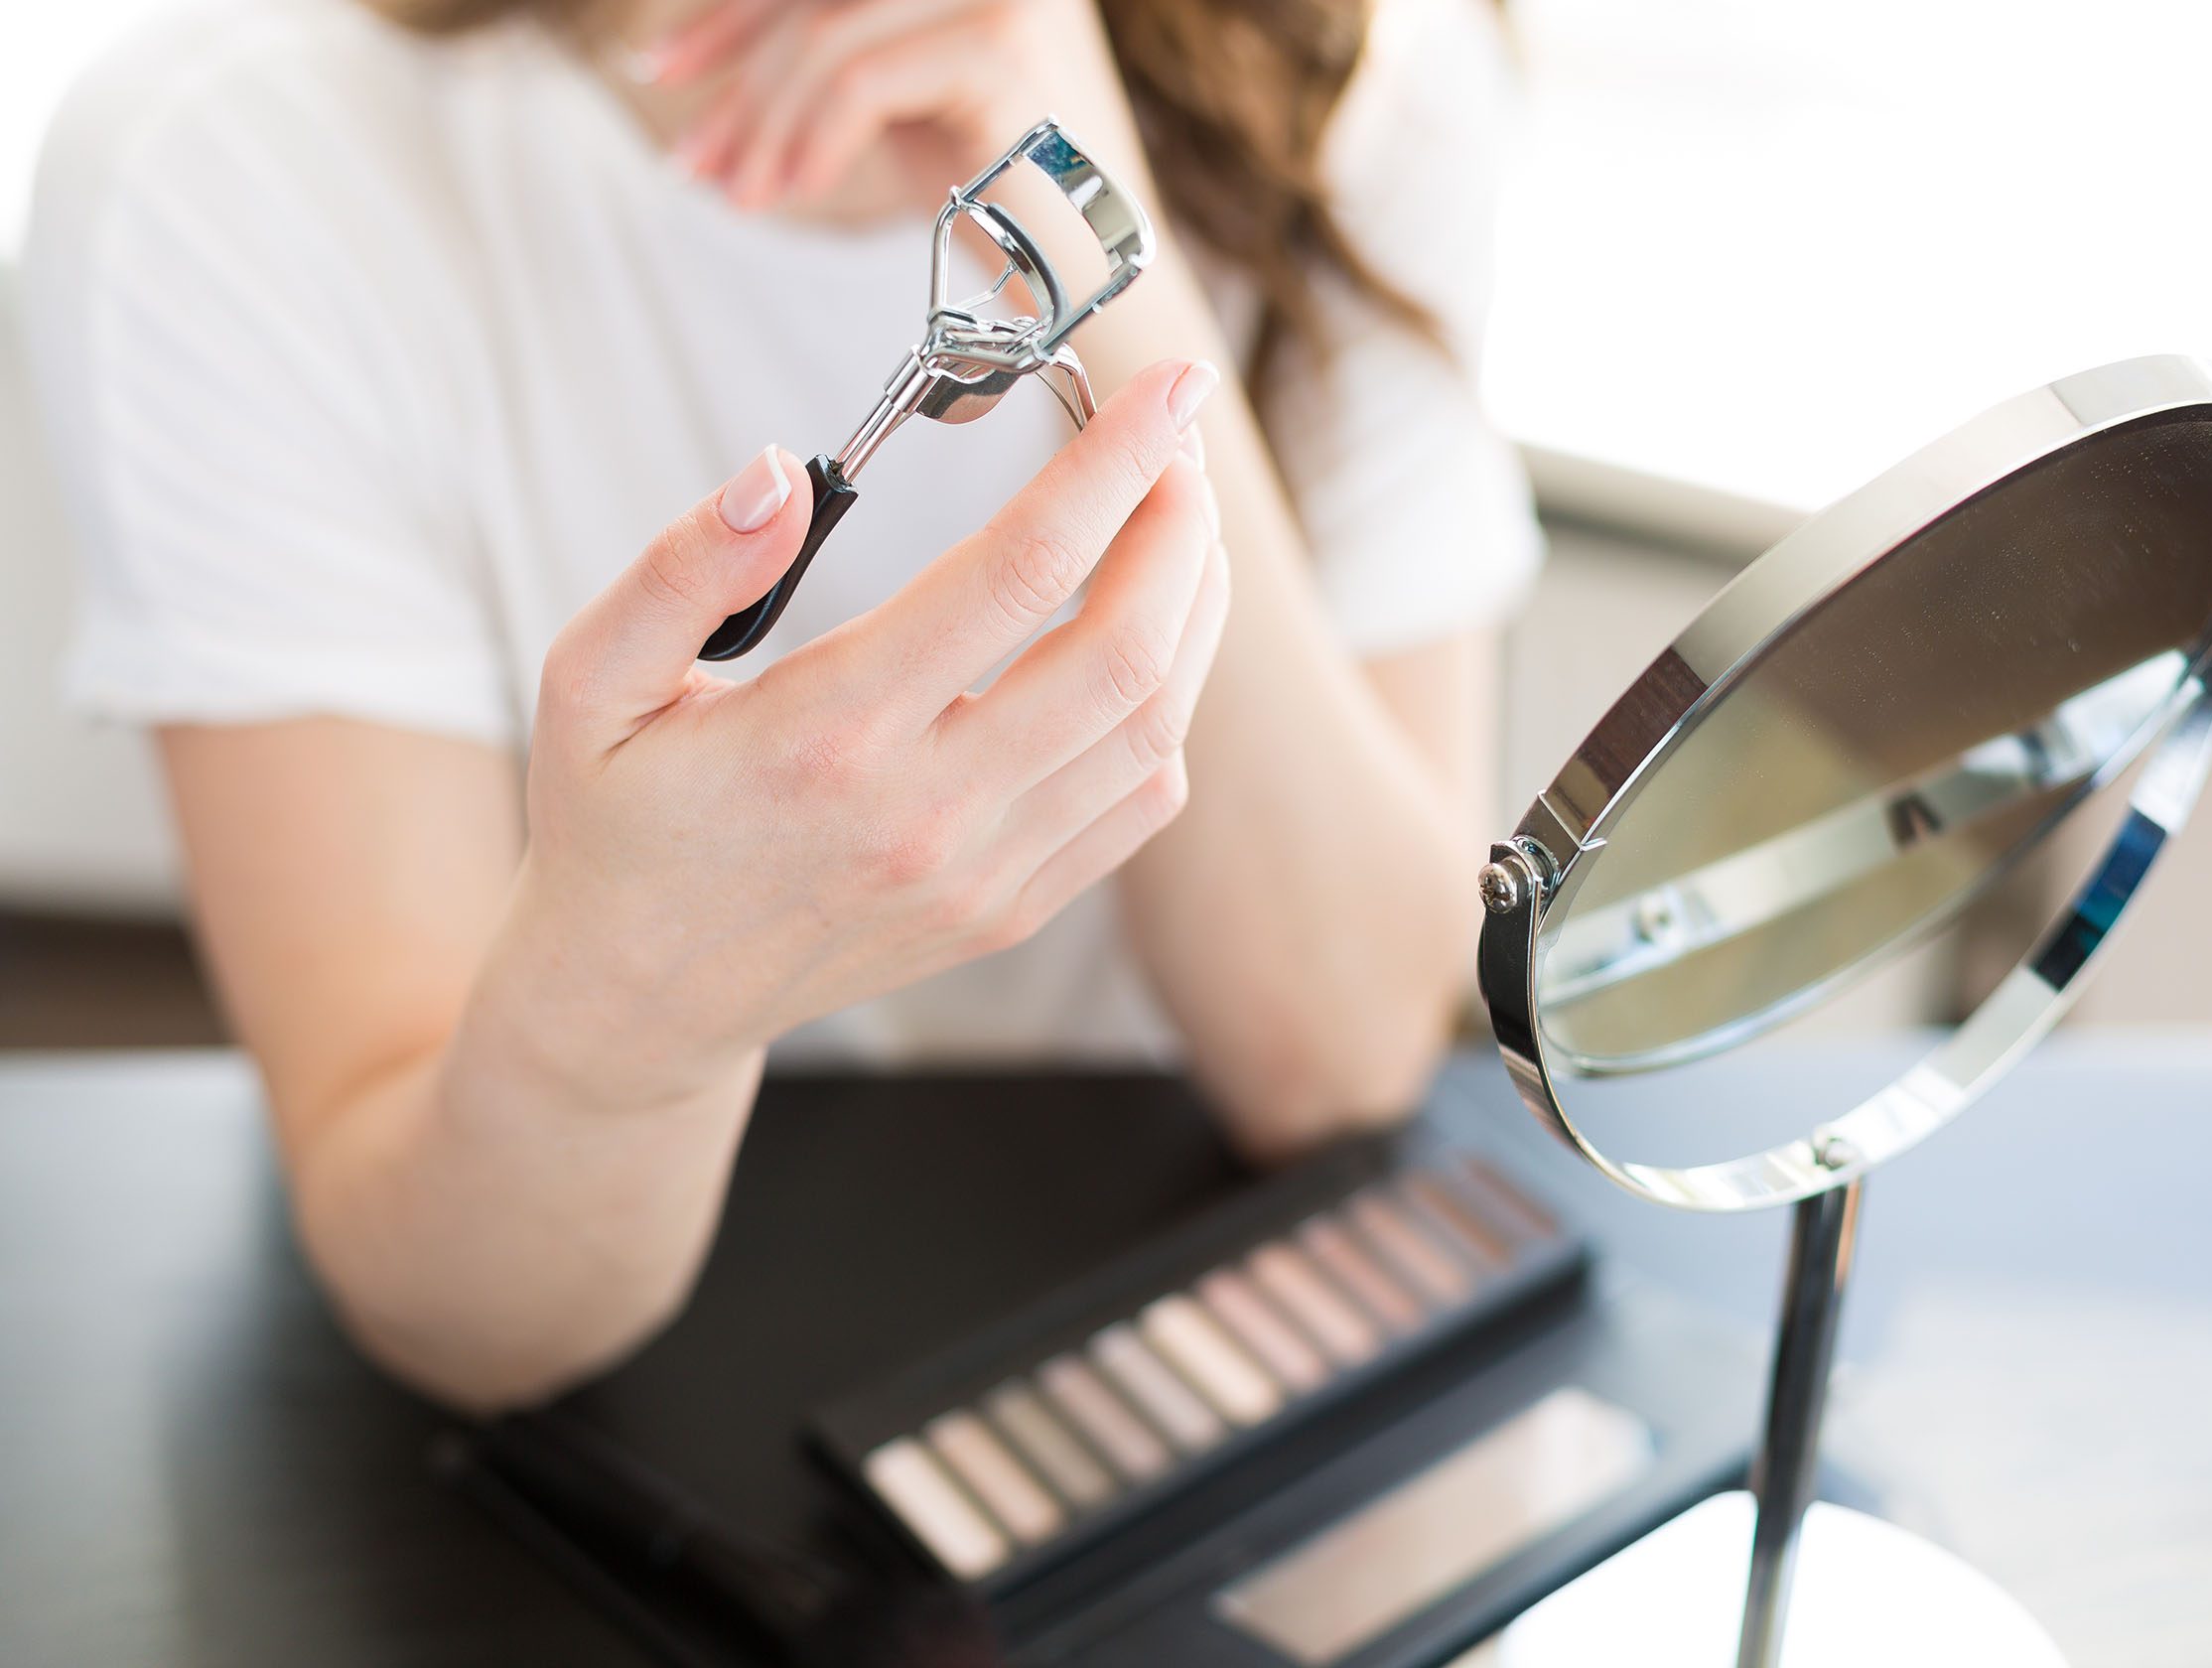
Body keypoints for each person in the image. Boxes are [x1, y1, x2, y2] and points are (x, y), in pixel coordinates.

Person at [21, 0, 1540, 1410]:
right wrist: (636, 991)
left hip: (1181, 1349)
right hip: (642, 1411)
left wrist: (1077, 187)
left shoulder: (1352, 62)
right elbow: (461, 1306)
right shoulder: (231, 160)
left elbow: (1344, 1062)